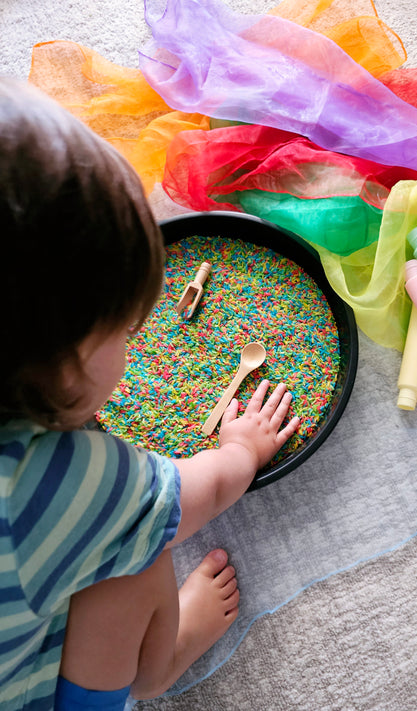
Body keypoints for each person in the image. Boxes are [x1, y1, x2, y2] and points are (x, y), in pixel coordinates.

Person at [0, 78, 300, 710]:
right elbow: (199, 491)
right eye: (127, 329)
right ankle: (157, 668)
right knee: (136, 548)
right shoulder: (69, 479)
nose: (136, 343)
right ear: (65, 363)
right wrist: (240, 449)